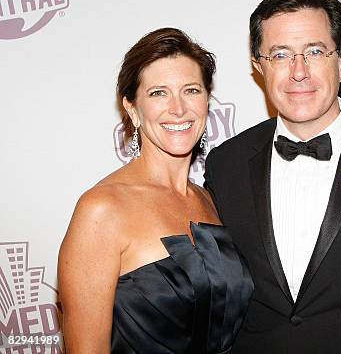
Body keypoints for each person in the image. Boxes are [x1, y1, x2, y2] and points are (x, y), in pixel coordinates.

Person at [204, 0, 341, 353]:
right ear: (259, 68)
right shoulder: (226, 165)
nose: (298, 71)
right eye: (280, 54)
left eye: (315, 51)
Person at [58, 28, 253, 353]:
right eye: (158, 93)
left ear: (207, 100)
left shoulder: (211, 200)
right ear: (133, 109)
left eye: (191, 90)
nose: (178, 108)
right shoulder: (102, 209)